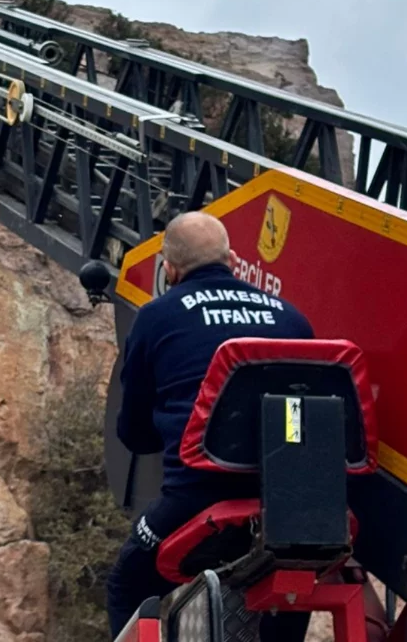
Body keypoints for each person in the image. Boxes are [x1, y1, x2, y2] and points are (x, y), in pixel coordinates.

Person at [105, 211, 315, 641]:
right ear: (234, 261)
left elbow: (133, 431)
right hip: (290, 501)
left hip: (197, 498)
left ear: (170, 269)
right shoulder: (293, 319)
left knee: (128, 582)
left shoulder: (155, 317)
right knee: (294, 580)